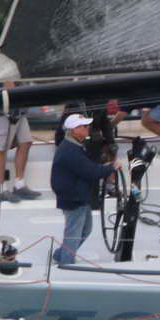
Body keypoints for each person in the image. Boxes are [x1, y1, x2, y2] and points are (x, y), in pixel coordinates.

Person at [50, 113, 117, 264]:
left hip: (79, 196)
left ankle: (60, 255)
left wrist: (105, 167)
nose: (88, 128)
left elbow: (87, 167)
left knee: (85, 229)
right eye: (84, 126)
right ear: (74, 130)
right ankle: (66, 263)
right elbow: (90, 171)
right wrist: (111, 167)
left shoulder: (73, 146)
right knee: (73, 233)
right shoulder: (71, 150)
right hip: (74, 199)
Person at [0, 82, 42, 202]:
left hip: (19, 108)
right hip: (1, 110)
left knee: (26, 142)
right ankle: (1, 189)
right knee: (1, 148)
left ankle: (19, 184)